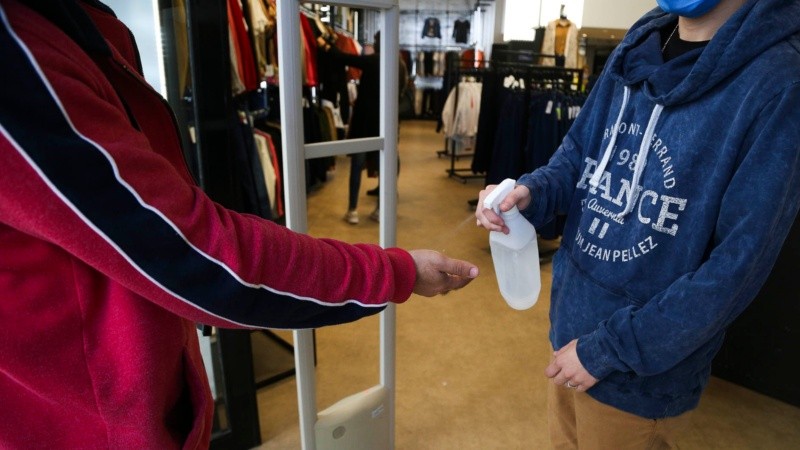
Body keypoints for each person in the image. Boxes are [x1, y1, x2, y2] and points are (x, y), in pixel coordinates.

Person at [0, 1, 478, 448]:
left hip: (127, 396)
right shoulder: (20, 52)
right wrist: (396, 271)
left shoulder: (71, 24)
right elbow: (199, 253)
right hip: (85, 421)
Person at [476, 0, 800, 447]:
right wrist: (531, 193)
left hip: (640, 375)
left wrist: (610, 349)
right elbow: (578, 153)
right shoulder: (643, 38)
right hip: (570, 332)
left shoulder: (777, 80)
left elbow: (737, 266)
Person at [318, 30, 406, 224]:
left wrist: (326, 44)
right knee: (386, 165)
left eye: (375, 40)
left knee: (357, 165)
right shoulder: (400, 64)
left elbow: (343, 58)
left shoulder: (376, 60)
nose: (374, 43)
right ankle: (379, 209)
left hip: (366, 123)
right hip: (387, 123)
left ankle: (352, 210)